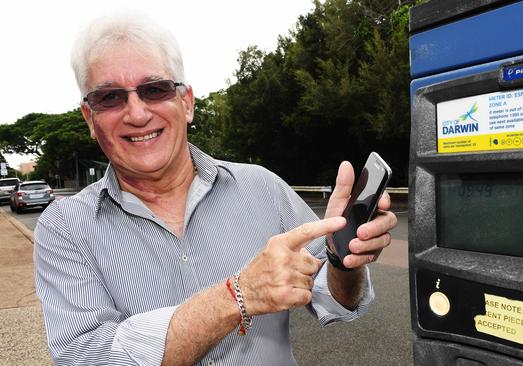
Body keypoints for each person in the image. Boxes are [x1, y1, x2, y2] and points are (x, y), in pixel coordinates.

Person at [34, 13, 397, 366]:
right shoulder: (64, 228)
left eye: (154, 89)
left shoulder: (262, 187)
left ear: (187, 102)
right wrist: (238, 295)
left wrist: (341, 259)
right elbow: (89, 357)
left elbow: (333, 300)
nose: (137, 113)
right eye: (110, 97)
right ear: (89, 118)